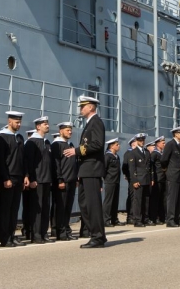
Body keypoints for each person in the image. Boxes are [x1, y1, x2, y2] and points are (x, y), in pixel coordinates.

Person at [71, 95, 106, 249]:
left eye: (83, 106)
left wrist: (76, 151)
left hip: (92, 169)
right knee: (84, 203)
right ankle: (95, 234)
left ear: (91, 107)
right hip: (86, 170)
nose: (81, 109)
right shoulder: (89, 124)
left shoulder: (96, 122)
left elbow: (97, 144)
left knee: (92, 204)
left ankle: (98, 237)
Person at [0, 111, 27, 248]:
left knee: (14, 209)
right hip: (8, 177)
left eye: (20, 122)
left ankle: (12, 234)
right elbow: (1, 161)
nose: (19, 124)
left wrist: (25, 175)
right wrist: (5, 178)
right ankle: (4, 237)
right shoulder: (2, 137)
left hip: (19, 177)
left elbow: (23, 159)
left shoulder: (19, 138)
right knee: (5, 209)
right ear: (9, 121)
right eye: (16, 122)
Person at [24, 116, 53, 243]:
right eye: (44, 124)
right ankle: (35, 234)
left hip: (46, 179)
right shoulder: (32, 142)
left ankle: (43, 232)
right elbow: (29, 162)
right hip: (38, 180)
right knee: (37, 208)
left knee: (46, 207)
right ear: (38, 126)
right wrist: (31, 178)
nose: (47, 125)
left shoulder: (46, 142)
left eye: (47, 123)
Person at [51, 121, 79, 240]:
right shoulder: (57, 145)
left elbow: (74, 163)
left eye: (71, 130)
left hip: (71, 180)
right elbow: (56, 164)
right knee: (60, 207)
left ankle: (66, 229)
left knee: (68, 207)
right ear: (61, 131)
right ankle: (59, 231)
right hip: (63, 181)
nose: (70, 132)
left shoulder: (69, 145)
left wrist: (76, 177)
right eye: (67, 130)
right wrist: (60, 179)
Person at [124, 133, 150, 227]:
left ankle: (145, 218)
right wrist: (134, 180)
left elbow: (148, 167)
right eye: (140, 140)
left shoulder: (146, 152)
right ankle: (137, 220)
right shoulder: (133, 153)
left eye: (143, 140)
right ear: (136, 141)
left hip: (146, 179)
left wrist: (150, 179)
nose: (142, 142)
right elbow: (132, 168)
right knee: (137, 200)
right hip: (138, 179)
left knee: (146, 200)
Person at [161, 126, 180, 227]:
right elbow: (163, 160)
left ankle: (177, 218)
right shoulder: (170, 144)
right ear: (175, 134)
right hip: (172, 174)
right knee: (172, 198)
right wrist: (166, 170)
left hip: (179, 175)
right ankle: (170, 219)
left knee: (179, 198)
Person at [103, 138, 121, 226]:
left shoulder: (116, 156)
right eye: (117, 145)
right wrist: (106, 179)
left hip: (116, 181)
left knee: (115, 201)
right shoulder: (107, 156)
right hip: (110, 181)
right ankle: (106, 220)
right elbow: (104, 169)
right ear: (111, 146)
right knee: (108, 201)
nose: (119, 146)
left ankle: (114, 219)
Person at [149, 136, 166, 225]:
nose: (164, 144)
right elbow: (151, 166)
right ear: (158, 144)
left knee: (162, 199)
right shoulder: (154, 154)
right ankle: (153, 218)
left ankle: (161, 217)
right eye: (163, 143)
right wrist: (152, 178)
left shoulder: (162, 153)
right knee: (155, 199)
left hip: (163, 178)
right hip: (157, 178)